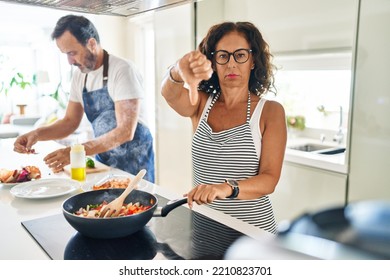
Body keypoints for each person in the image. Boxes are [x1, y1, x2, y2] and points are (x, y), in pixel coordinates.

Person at [161, 21, 286, 233]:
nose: (231, 64)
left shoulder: (270, 111)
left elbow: (269, 180)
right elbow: (169, 93)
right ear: (213, 62)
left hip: (252, 230)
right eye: (222, 56)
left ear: (252, 60)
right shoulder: (200, 103)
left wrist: (225, 188)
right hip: (205, 225)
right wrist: (177, 70)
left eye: (240, 55)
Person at [13, 15, 155, 182]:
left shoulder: (123, 70)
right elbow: (69, 122)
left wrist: (77, 151)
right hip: (104, 163)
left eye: (72, 53)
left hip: (136, 165)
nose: (69, 61)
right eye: (65, 54)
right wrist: (36, 134)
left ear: (92, 44)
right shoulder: (80, 76)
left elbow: (125, 132)